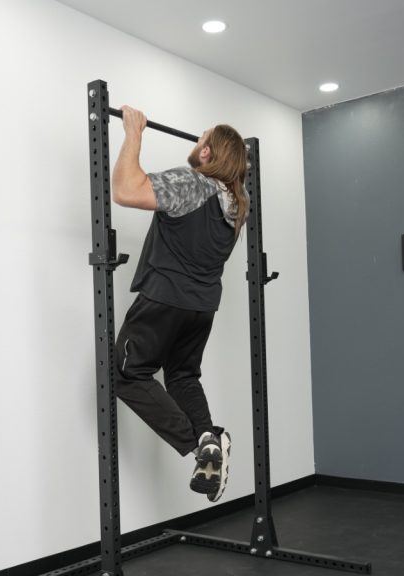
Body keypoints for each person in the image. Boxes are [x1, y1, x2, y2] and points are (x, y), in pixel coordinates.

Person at [109, 105, 249, 502]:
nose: (197, 143)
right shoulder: (238, 204)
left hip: (164, 300)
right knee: (183, 377)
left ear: (207, 153)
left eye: (201, 139)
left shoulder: (194, 184)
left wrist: (133, 132)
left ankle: (196, 444)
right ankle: (207, 437)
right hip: (201, 308)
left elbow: (124, 190)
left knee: (126, 374)